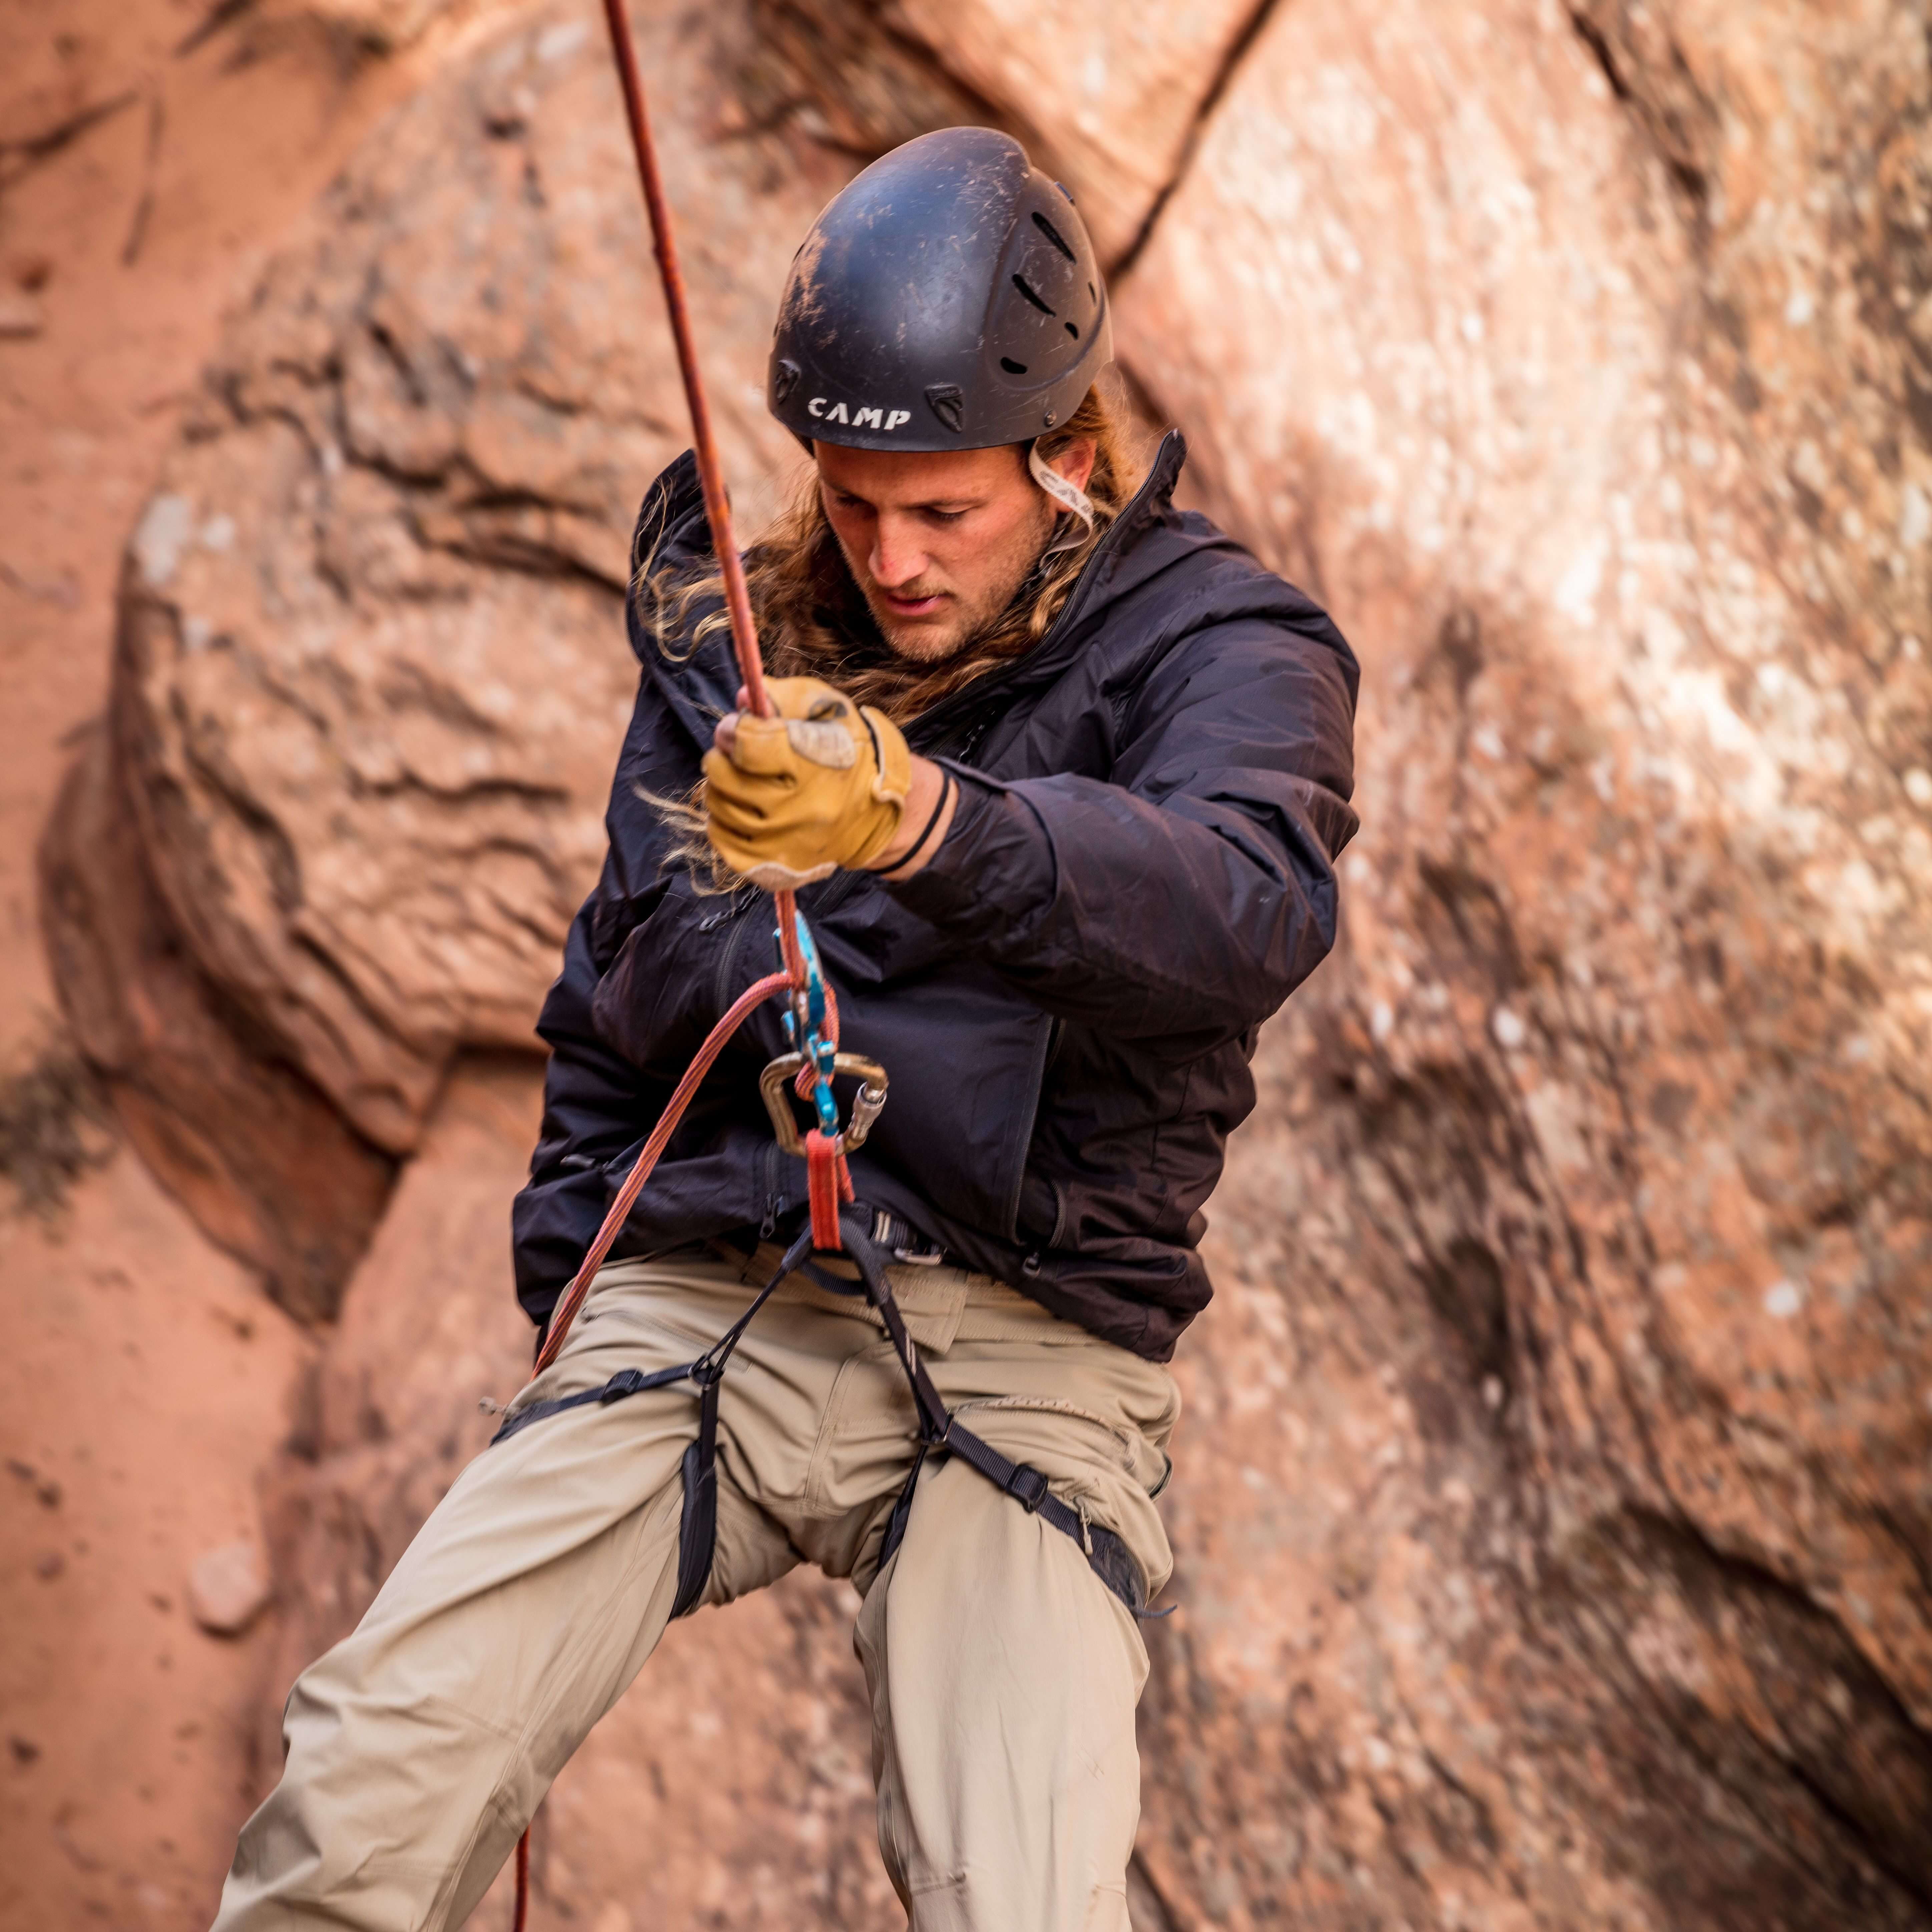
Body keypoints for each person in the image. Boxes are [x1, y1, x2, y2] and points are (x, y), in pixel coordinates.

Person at [211, 125, 1359, 1932]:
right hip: (703, 1303)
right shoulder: (731, 643)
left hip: (1025, 1350)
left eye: (946, 513)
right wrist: (578, 1302)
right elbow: (611, 1001)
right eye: (852, 504)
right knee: (357, 1801)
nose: (889, 559)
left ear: (1068, 461)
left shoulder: (1232, 651)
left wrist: (920, 819)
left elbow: (1242, 904)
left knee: (1027, 1903)